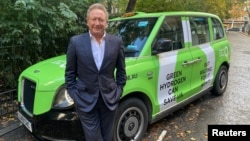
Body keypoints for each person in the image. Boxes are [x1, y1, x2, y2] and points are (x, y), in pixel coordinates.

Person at [65, 3, 126, 141]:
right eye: (94, 19)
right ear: (88, 21)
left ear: (106, 22)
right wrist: (76, 96)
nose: (97, 23)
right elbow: (69, 75)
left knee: (108, 137)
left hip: (109, 100)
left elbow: (122, 72)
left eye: (101, 20)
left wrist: (118, 91)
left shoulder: (116, 42)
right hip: (85, 100)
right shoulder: (75, 42)